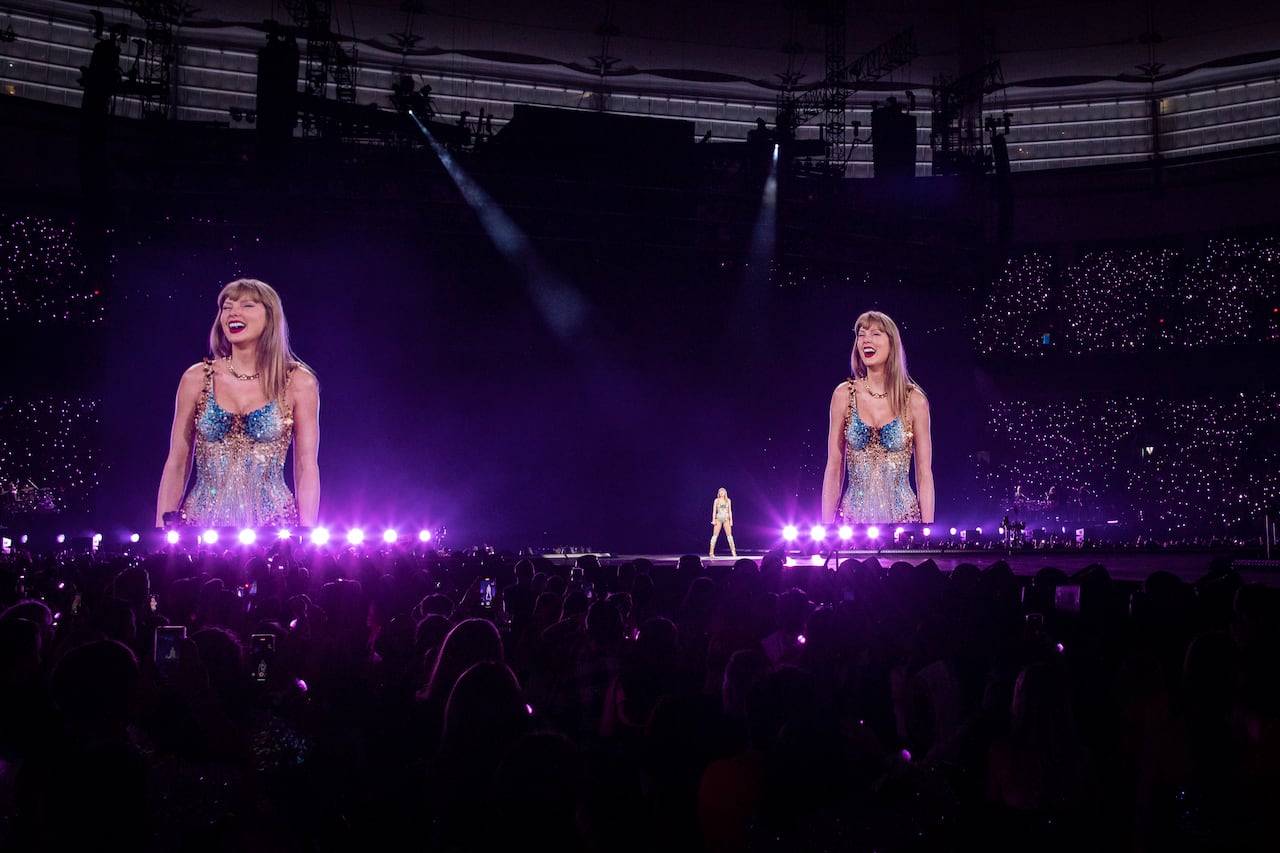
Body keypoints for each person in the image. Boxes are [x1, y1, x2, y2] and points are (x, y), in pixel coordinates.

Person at [155, 278, 320, 529]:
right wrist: (161, 532)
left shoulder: (298, 382)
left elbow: (306, 466)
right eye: (227, 306)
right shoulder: (196, 378)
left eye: (247, 305)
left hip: (274, 531)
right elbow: (177, 462)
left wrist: (306, 534)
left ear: (270, 317)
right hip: (200, 530)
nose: (233, 312)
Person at [820, 310, 933, 525]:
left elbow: (924, 473)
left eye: (875, 334)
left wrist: (927, 535)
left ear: (892, 343)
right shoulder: (843, 395)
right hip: (851, 525)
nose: (865, 340)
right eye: (861, 334)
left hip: (904, 524)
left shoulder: (915, 401)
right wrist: (826, 529)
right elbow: (834, 467)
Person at [709, 487, 736, 558]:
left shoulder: (728, 500)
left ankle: (733, 552)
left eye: (723, 492)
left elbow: (730, 510)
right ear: (719, 493)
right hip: (718, 519)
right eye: (720, 492)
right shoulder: (716, 500)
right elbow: (714, 510)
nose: (721, 493)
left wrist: (731, 520)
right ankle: (711, 552)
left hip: (726, 519)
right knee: (715, 536)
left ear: (725, 493)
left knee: (729, 536)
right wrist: (713, 520)